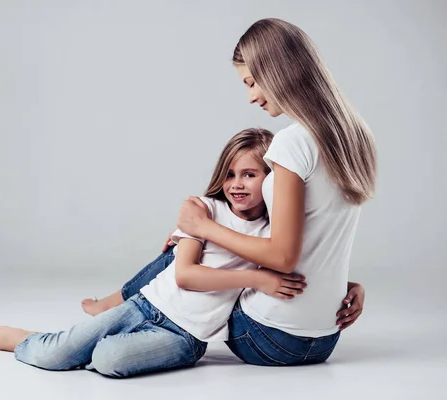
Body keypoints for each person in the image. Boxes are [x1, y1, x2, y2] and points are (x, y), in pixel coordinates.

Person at [84, 17, 374, 364]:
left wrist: (201, 228)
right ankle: (114, 308)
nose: (251, 97)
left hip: (265, 335)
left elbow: (283, 257)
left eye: (252, 82)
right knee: (204, 237)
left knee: (189, 249)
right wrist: (345, 287)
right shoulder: (356, 136)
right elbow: (320, 239)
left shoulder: (292, 143)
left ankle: (111, 316)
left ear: (278, 71)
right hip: (325, 337)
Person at [0, 128, 308, 377]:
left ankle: (72, 344)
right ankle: (36, 341)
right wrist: (256, 278)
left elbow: (311, 261)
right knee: (55, 356)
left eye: (249, 175)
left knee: (108, 359)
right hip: (145, 304)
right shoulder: (205, 209)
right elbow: (184, 276)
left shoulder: (273, 233)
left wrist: (353, 288)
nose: (236, 184)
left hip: (186, 337)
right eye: (230, 174)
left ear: (270, 181)